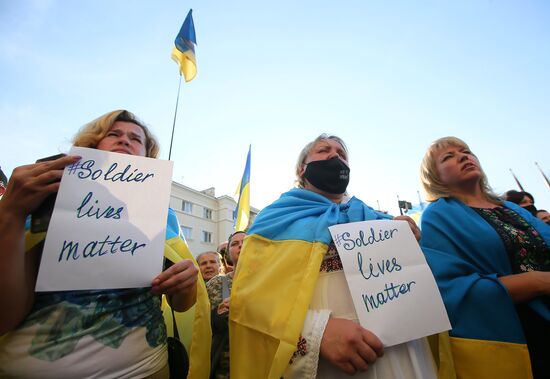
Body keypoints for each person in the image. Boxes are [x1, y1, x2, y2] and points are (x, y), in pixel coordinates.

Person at [0, 110, 210, 378]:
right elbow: (4, 317)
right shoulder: (44, 196)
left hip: (148, 369)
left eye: (136, 138)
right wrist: (11, 213)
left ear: (147, 157)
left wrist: (186, 284)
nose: (125, 141)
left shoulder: (162, 214)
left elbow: (179, 304)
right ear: (91, 145)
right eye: (114, 134)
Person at [229, 134, 436, 379]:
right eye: (323, 150)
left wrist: (405, 237)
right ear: (302, 168)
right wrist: (316, 333)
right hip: (327, 364)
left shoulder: (379, 220)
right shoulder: (272, 221)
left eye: (341, 154)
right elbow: (250, 298)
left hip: (402, 358)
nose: (334, 156)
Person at [419, 136, 550, 379]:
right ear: (434, 176)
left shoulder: (513, 210)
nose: (463, 156)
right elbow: (452, 290)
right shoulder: (438, 216)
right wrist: (538, 282)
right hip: (520, 336)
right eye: (448, 157)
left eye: (466, 151)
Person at [206, 231, 245, 379]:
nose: (241, 245)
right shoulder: (215, 284)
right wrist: (218, 314)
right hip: (225, 368)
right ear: (228, 253)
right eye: (235, 244)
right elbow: (203, 327)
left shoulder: (270, 282)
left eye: (245, 242)